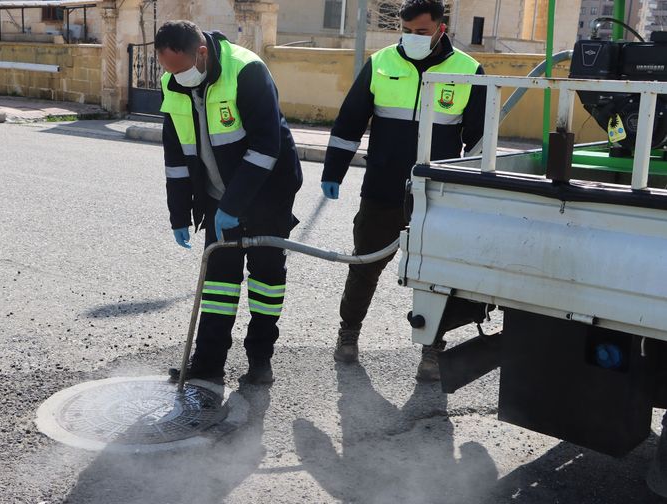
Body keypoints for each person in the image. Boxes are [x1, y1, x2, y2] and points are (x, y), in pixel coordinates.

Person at [320, 0, 486, 380]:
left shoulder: (467, 70)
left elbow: (477, 141)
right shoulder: (381, 63)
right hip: (382, 187)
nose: (412, 38)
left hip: (437, 196)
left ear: (440, 29)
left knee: (437, 275)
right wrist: (334, 170)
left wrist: (474, 192)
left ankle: (433, 348)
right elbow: (349, 122)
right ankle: (348, 333)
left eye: (421, 32)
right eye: (407, 31)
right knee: (364, 264)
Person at [155, 20, 303, 385]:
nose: (175, 78)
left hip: (268, 194)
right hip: (218, 199)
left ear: (201, 53)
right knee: (219, 284)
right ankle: (207, 364)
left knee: (266, 282)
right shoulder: (172, 82)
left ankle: (259, 361)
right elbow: (175, 156)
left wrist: (234, 205)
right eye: (168, 70)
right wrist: (179, 213)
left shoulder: (247, 70)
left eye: (181, 69)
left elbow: (267, 147)